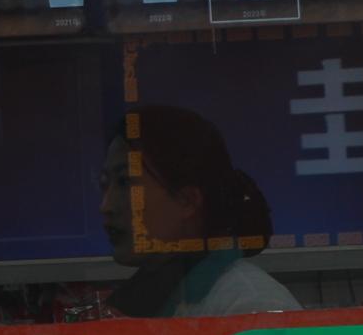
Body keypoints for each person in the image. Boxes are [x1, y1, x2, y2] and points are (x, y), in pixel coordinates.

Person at [117, 106, 300, 319]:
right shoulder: (156, 293)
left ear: (187, 200)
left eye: (125, 183)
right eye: (104, 184)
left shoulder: (252, 301)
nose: (106, 206)